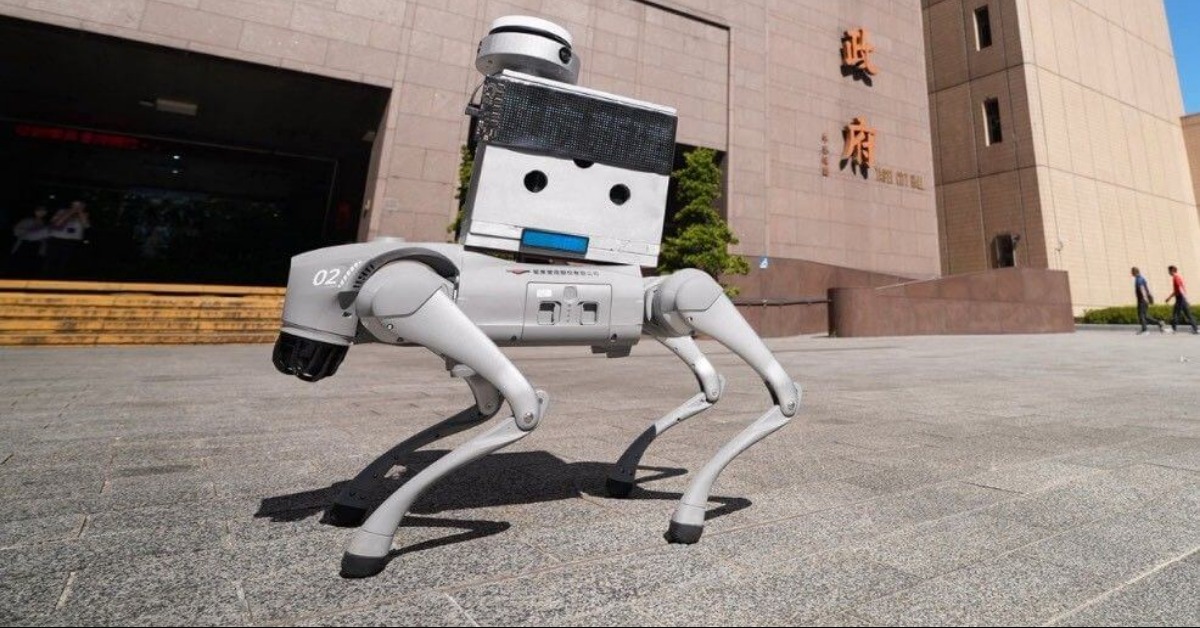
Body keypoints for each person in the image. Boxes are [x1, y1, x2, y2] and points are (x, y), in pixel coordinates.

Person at [44, 200, 89, 278]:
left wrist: (80, 212)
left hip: (72, 241)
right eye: (75, 204)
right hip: (57, 239)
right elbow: (56, 223)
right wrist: (71, 211)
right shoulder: (62, 211)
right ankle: (45, 278)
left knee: (65, 263)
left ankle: (60, 279)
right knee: (50, 261)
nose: (77, 206)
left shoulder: (84, 214)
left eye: (80, 205)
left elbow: (86, 225)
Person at [8, 206, 50, 276]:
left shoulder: (46, 223)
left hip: (37, 247)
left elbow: (47, 236)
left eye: (44, 211)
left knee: (32, 267)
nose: (41, 212)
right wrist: (30, 231)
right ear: (35, 211)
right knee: (18, 265)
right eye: (39, 210)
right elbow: (16, 231)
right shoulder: (27, 220)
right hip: (25, 245)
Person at [1131, 267, 1168, 335]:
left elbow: (1142, 289)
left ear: (1135, 272)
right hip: (1144, 300)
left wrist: (1144, 299)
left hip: (1142, 300)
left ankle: (1145, 330)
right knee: (1145, 316)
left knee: (1141, 315)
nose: (1131, 273)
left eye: (1132, 272)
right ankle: (1159, 323)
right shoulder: (1141, 278)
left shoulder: (1139, 279)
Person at [1165, 265, 1199, 335]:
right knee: (1187, 314)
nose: (1168, 272)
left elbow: (1180, 288)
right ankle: (1196, 329)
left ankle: (1173, 329)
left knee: (1176, 313)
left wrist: (1184, 298)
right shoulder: (1177, 277)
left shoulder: (1176, 278)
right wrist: (1169, 297)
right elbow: (1176, 290)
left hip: (1180, 298)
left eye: (1169, 271)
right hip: (1180, 298)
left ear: (1172, 271)